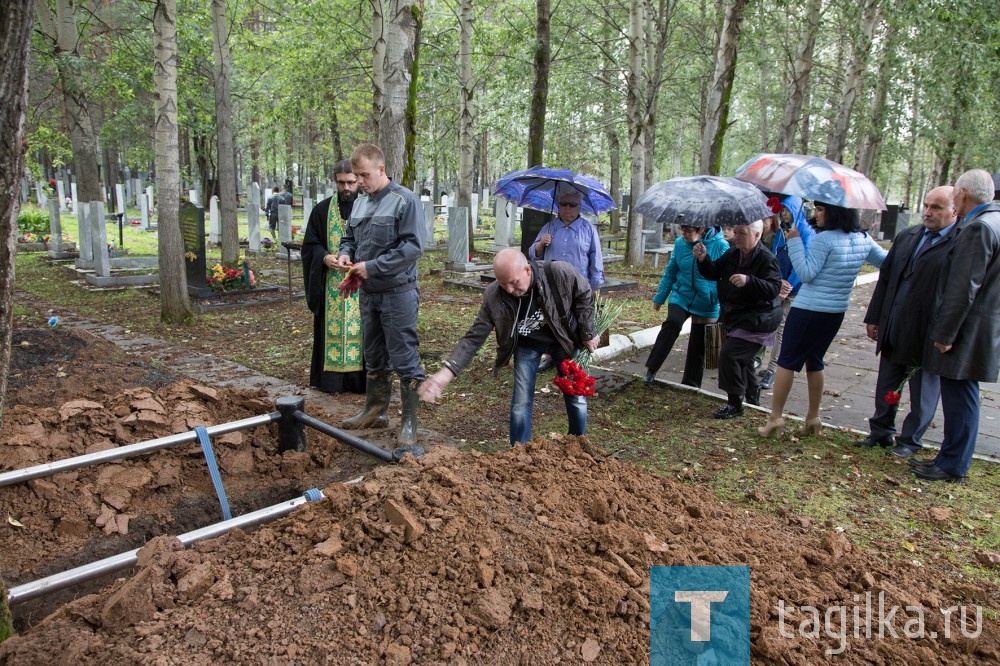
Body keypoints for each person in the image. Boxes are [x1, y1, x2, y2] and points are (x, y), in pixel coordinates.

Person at [418, 248, 599, 446]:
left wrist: (587, 333)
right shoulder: (495, 296)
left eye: (514, 282)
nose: (510, 290)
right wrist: (446, 373)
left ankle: (577, 444)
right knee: (520, 402)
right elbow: (473, 337)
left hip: (564, 340)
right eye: (503, 283)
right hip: (527, 345)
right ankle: (519, 452)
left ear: (528, 270)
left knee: (576, 394)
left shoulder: (559, 273)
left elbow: (584, 296)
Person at [758, 202, 887, 438]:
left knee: (787, 361)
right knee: (815, 361)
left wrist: (795, 241)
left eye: (820, 209)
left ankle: (775, 418)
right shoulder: (862, 239)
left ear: (835, 212)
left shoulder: (825, 239)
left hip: (808, 308)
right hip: (835, 312)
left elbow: (806, 274)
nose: (816, 214)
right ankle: (813, 418)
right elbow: (886, 262)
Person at [331, 144, 426, 446]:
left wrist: (372, 267)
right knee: (373, 354)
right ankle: (375, 411)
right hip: (368, 294)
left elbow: (412, 247)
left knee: (404, 355)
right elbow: (349, 237)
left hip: (397, 292)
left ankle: (409, 421)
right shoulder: (361, 203)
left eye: (364, 175)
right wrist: (346, 255)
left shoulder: (404, 200)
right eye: (356, 176)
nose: (358, 182)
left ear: (381, 169)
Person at [856, 186, 959, 457]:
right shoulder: (908, 235)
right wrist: (874, 317)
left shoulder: (960, 241)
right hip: (895, 323)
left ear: (954, 209)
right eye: (926, 205)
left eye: (936, 207)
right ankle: (880, 432)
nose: (928, 212)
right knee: (887, 383)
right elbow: (886, 279)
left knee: (922, 390)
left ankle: (910, 441)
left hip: (928, 331)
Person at [911, 169, 1000, 483]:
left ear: (962, 194)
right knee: (962, 397)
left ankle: (953, 465)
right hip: (982, 327)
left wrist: (945, 334)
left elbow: (963, 287)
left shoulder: (978, 227)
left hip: (967, 331)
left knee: (959, 398)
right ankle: (950, 457)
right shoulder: (994, 221)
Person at [693, 221, 782, 418]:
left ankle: (735, 403)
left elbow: (774, 288)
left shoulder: (766, 258)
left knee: (730, 355)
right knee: (745, 359)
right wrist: (703, 259)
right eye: (736, 232)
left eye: (742, 233)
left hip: (760, 319)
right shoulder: (733, 252)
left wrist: (749, 281)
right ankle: (752, 392)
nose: (736, 237)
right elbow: (714, 272)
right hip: (737, 316)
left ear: (757, 235)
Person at [301, 159, 365, 394]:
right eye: (341, 183)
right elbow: (310, 245)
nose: (346, 188)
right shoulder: (321, 210)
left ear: (358, 180)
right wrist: (325, 258)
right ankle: (331, 382)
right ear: (335, 182)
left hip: (361, 283)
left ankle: (359, 382)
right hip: (330, 284)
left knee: (363, 330)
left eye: (350, 182)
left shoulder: (368, 207)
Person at [643, 224, 728, 387]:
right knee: (672, 323)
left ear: (702, 230)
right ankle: (651, 369)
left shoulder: (721, 245)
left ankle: (691, 384)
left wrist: (719, 303)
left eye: (688, 231)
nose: (684, 235)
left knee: (699, 342)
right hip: (681, 295)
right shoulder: (680, 243)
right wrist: (660, 297)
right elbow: (671, 270)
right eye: (683, 230)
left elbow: (723, 276)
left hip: (707, 301)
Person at [756, 196, 815, 390]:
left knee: (781, 328)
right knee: (766, 322)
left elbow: (803, 261)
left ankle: (773, 369)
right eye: (782, 210)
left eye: (787, 210)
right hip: (776, 285)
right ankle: (758, 358)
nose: (783, 213)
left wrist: (788, 285)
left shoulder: (805, 231)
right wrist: (774, 280)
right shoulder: (782, 231)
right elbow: (774, 255)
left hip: (793, 290)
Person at [528, 187, 605, 296]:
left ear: (579, 207)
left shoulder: (588, 229)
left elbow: (596, 259)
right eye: (563, 204)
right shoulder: (549, 227)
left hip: (579, 286)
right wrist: (540, 244)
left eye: (572, 204)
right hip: (551, 285)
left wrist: (595, 285)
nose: (567, 207)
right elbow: (533, 255)